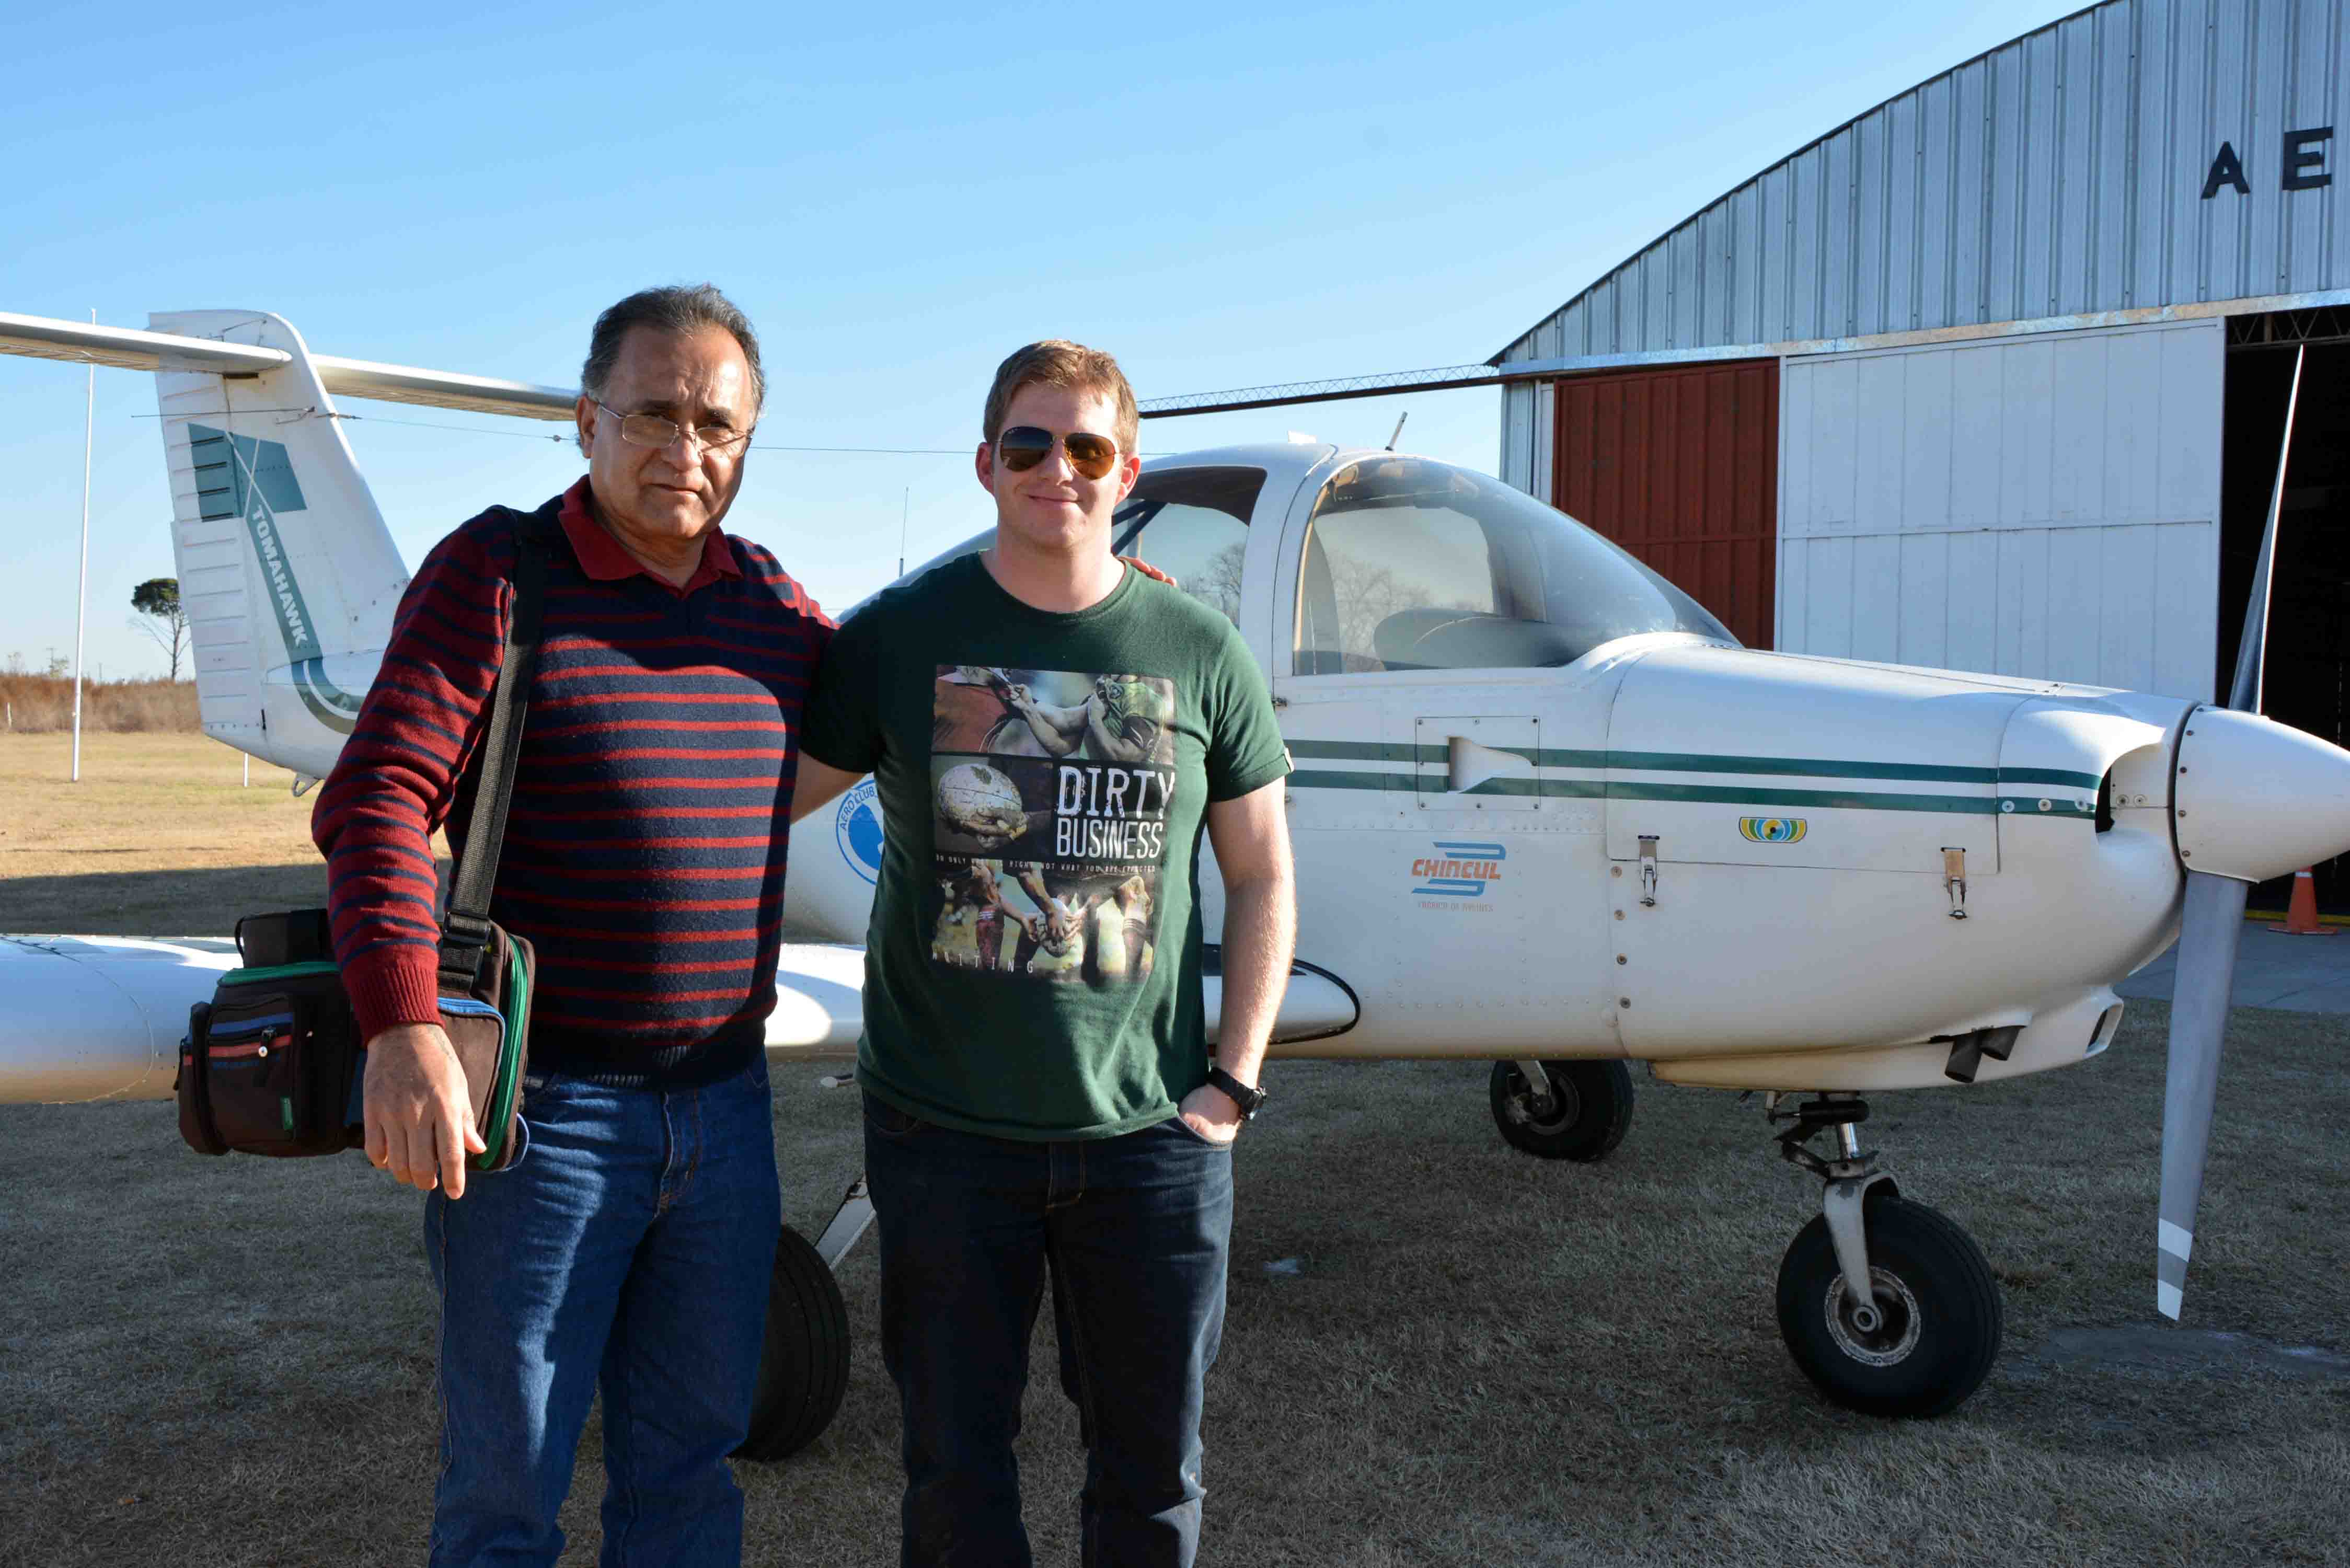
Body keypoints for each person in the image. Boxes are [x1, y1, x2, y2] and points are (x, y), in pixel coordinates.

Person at [311, 284, 831, 1567]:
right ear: (586, 418)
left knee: (689, 1476)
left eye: (718, 425)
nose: (685, 449)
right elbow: (376, 799)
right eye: (653, 412)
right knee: (507, 1493)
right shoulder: (500, 573)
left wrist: (1088, 600)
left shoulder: (770, 603)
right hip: (543, 1123)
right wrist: (404, 1022)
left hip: (724, 1108)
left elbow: (922, 669)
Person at [792, 340, 1296, 1567]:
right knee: (955, 1476)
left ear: (1124, 468)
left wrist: (1230, 1084)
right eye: (1029, 443)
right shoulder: (902, 635)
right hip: (942, 1137)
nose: (1054, 469)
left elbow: (1262, 871)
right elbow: (747, 809)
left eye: (1084, 447)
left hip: (1152, 1148)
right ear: (986, 463)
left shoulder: (1198, 648)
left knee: (1152, 1479)